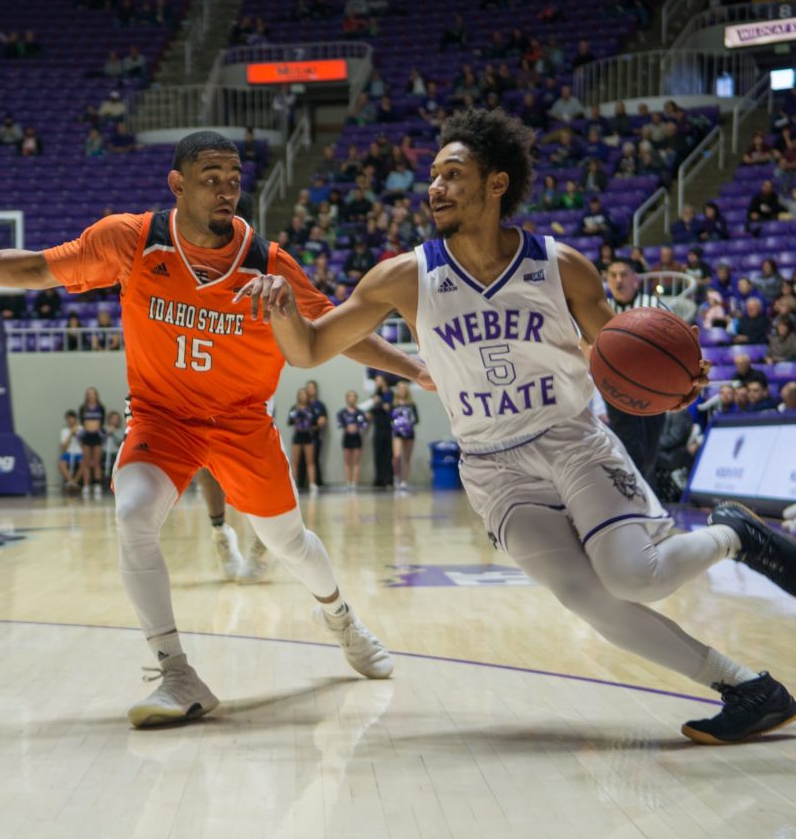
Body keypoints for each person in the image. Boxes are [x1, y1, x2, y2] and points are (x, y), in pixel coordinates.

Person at [238, 107, 796, 744]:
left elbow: (620, 354)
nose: (436, 187)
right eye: (434, 176)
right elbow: (308, 350)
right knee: (587, 598)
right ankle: (749, 688)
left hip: (572, 441)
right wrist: (282, 307)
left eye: (453, 174)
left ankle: (734, 531)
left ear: (496, 184)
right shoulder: (405, 276)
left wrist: (674, 385)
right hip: (492, 467)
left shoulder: (560, 267)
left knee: (635, 577)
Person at [0, 130, 429, 728]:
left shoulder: (267, 262)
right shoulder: (131, 239)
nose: (226, 190)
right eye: (211, 177)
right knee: (132, 513)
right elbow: (35, 268)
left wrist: (412, 367)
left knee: (289, 544)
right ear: (177, 184)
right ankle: (173, 669)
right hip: (163, 416)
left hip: (241, 422)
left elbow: (338, 326)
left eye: (233, 178)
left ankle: (340, 617)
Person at [604, 258, 668, 478]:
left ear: (636, 280)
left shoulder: (654, 304)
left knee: (650, 450)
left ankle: (648, 498)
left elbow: (672, 342)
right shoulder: (601, 308)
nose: (618, 280)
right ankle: (637, 502)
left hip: (653, 387)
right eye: (613, 275)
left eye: (623, 274)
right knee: (628, 447)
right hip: (617, 388)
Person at [288, 387, 319, 492]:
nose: (303, 396)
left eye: (304, 394)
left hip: (308, 435)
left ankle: (312, 483)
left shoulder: (311, 409)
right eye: (300, 394)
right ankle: (293, 482)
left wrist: (309, 424)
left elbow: (316, 424)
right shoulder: (294, 408)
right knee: (295, 461)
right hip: (297, 435)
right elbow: (290, 422)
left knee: (310, 461)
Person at [336, 390, 368, 489]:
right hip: (347, 437)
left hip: (357, 437)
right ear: (347, 398)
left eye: (354, 396)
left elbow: (364, 424)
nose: (352, 398)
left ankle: (355, 483)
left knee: (356, 461)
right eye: (350, 396)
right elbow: (339, 424)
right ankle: (348, 482)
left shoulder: (360, 412)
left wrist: (357, 426)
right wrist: (347, 427)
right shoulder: (342, 412)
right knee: (347, 461)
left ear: (356, 398)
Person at [390, 380, 419, 490]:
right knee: (397, 456)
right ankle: (396, 478)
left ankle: (404, 481)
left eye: (404, 388)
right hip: (397, 433)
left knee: (407, 458)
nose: (402, 390)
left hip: (409, 432)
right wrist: (397, 425)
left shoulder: (412, 405)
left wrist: (408, 424)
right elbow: (390, 418)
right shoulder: (394, 404)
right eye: (400, 388)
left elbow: (416, 419)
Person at [78, 387, 106, 498]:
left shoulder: (101, 408)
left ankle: (97, 485)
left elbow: (102, 422)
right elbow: (81, 422)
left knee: (96, 462)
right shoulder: (83, 408)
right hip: (86, 436)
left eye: (93, 394)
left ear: (96, 395)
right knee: (86, 462)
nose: (91, 396)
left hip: (97, 436)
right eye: (88, 394)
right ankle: (86, 485)